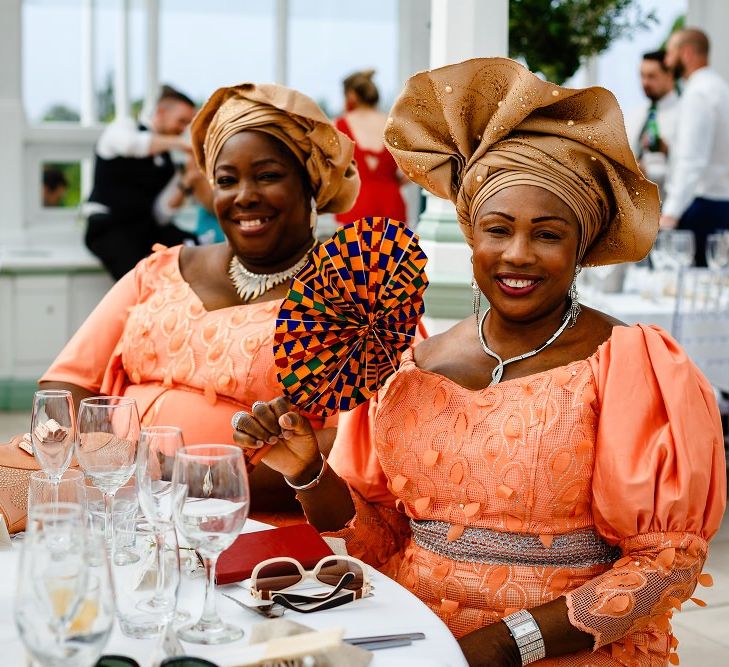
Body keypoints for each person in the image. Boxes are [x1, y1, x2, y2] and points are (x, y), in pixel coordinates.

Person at [233, 59, 726, 666]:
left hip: (564, 650)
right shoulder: (406, 365)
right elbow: (379, 541)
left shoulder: (630, 364)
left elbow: (664, 564)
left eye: (547, 235)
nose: (517, 255)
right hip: (412, 637)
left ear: (582, 247)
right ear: (473, 236)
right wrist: (309, 472)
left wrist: (504, 643)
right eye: (498, 230)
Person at [39, 82, 360, 521]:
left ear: (311, 185)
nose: (244, 195)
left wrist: (191, 482)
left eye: (267, 176)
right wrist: (114, 471)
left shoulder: (351, 301)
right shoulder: (161, 269)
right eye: (227, 180)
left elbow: (353, 449)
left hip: (251, 531)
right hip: (115, 508)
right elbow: (64, 386)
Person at [84, 85, 199, 280]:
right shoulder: (125, 127)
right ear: (161, 112)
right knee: (139, 277)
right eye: (181, 122)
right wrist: (179, 144)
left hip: (144, 228)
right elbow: (131, 145)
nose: (182, 130)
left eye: (187, 124)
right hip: (109, 225)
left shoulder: (168, 164)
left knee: (193, 248)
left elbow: (161, 214)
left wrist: (187, 180)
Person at [661, 28, 729, 266]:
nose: (667, 61)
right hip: (720, 204)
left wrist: (671, 213)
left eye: (670, 53)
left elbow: (692, 160)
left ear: (687, 54)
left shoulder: (698, 94)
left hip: (701, 207)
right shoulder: (720, 88)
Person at [334, 70, 407, 225]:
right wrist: (393, 182)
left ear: (351, 95)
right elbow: (416, 168)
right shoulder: (394, 124)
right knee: (391, 249)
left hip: (355, 203)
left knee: (354, 249)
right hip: (391, 202)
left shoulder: (339, 126)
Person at [624, 50, 678, 197]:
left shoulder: (683, 114)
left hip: (668, 207)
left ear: (669, 75)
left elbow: (689, 166)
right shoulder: (633, 116)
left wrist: (647, 173)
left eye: (652, 76)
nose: (645, 83)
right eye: (642, 76)